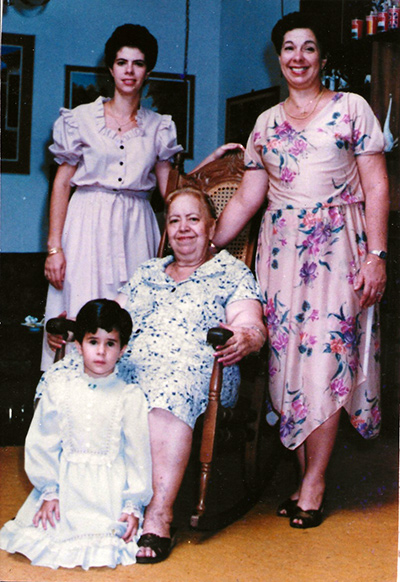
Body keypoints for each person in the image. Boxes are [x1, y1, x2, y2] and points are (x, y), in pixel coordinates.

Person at [213, 11, 389, 529]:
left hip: (339, 249)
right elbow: (249, 196)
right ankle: (304, 474)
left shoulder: (352, 108)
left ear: (322, 57)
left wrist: (377, 256)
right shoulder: (265, 124)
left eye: (308, 47)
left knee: (323, 360)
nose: (297, 57)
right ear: (278, 57)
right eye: (288, 48)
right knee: (289, 364)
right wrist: (204, 243)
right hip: (280, 254)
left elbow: (376, 185)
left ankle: (314, 483)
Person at [41, 186, 266, 563]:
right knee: (70, 375)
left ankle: (158, 515)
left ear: (212, 227)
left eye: (193, 219)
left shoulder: (231, 272)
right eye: (174, 220)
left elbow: (251, 323)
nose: (183, 229)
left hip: (197, 369)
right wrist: (76, 328)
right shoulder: (148, 271)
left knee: (167, 391)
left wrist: (244, 336)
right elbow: (111, 316)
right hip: (134, 363)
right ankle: (77, 500)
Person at [41, 22, 236, 370]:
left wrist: (209, 162)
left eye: (138, 63)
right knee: (82, 317)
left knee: (131, 320)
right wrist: (54, 248)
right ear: (110, 67)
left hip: (136, 227)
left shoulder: (159, 127)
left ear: (148, 70)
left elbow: (173, 191)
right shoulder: (79, 119)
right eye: (121, 62)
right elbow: (61, 184)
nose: (129, 71)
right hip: (87, 221)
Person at [0, 299, 153, 569]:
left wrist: (132, 506)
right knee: (45, 534)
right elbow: (42, 442)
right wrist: (49, 491)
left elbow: (137, 455)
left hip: (108, 494)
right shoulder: (60, 389)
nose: (101, 352)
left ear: (123, 349)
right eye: (93, 342)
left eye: (111, 343)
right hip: (65, 489)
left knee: (108, 540)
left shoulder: (130, 397)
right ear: (79, 345)